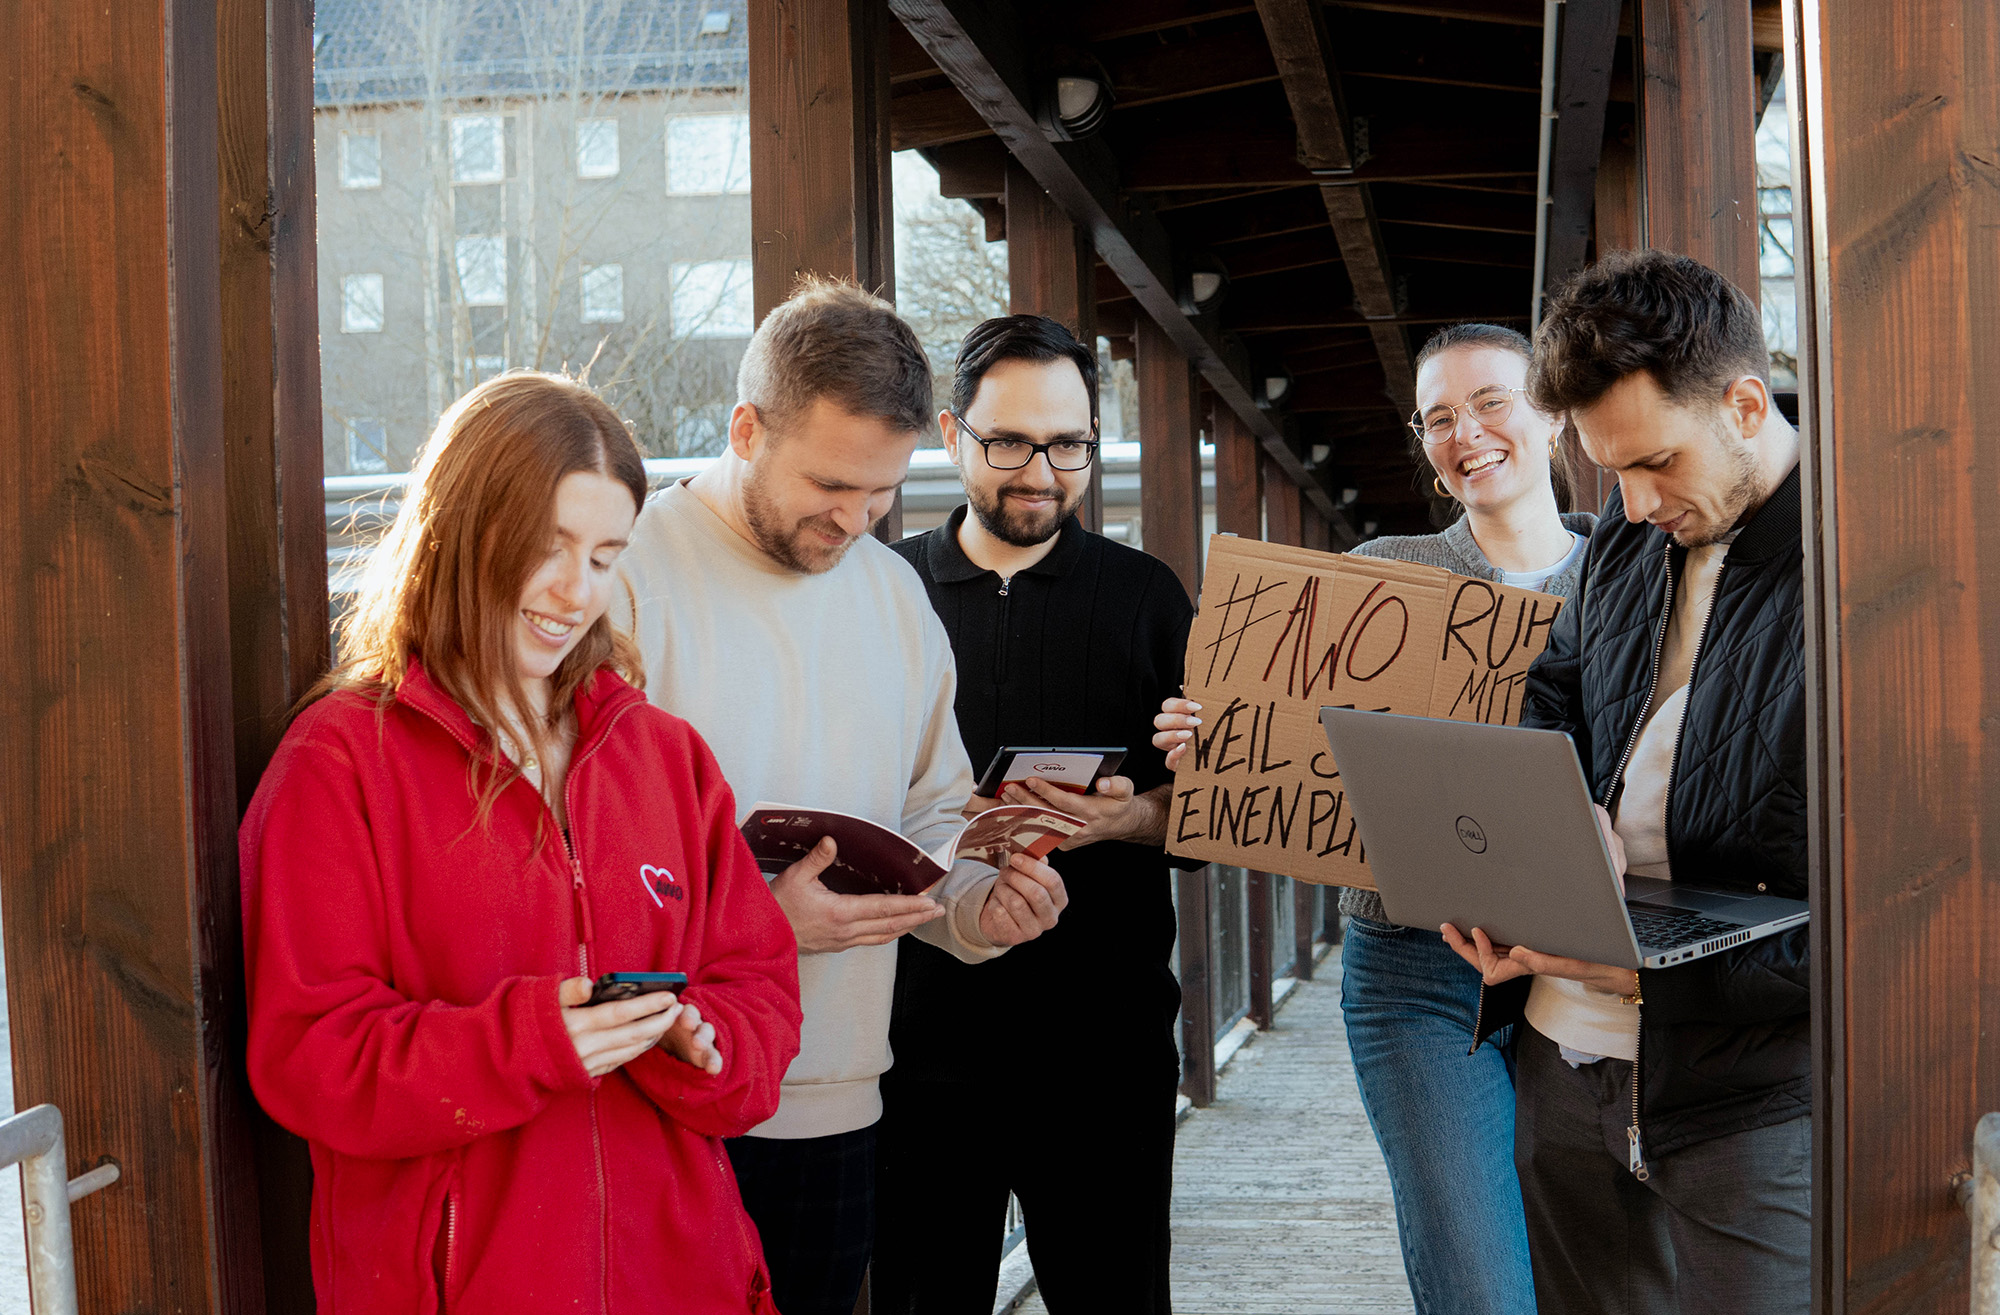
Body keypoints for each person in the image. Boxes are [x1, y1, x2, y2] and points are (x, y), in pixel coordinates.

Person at [240, 372, 803, 1313]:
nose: (575, 592)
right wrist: (534, 1039)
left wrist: (697, 1043)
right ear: (463, 531)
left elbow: (762, 996)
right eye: (548, 548)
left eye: (604, 557)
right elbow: (311, 1056)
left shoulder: (666, 755)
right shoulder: (339, 760)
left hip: (684, 1281)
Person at [617, 279, 1071, 1315]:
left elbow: (934, 811)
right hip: (656, 1092)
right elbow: (566, 864)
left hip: (839, 1093)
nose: (854, 520)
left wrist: (979, 905)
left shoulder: (891, 590)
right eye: (829, 483)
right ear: (745, 428)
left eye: (880, 492)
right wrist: (757, 927)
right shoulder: (624, 574)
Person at [1157, 322, 1589, 1315]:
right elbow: (1294, 741)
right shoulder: (1382, 571)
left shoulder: (1633, 573)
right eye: (1438, 417)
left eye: (1490, 401)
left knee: (1595, 1276)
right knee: (1481, 1284)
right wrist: (1214, 734)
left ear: (1553, 413)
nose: (1465, 432)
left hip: (1585, 968)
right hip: (1417, 971)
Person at [1446, 249, 1809, 1314]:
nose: (1636, 502)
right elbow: (1549, 693)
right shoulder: (1621, 535)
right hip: (1558, 1060)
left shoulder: (1869, 565)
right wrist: (1551, 818)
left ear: (1746, 405)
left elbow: (1898, 904)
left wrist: (1645, 972)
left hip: (1747, 1095)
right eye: (1613, 472)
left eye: (1656, 462)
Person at [871, 316, 1197, 1314]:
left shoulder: (1147, 596)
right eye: (1009, 442)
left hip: (1104, 1050)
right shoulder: (881, 593)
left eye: (1067, 445)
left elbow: (1205, 821)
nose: (1041, 474)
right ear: (949, 433)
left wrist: (1130, 816)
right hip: (913, 1048)